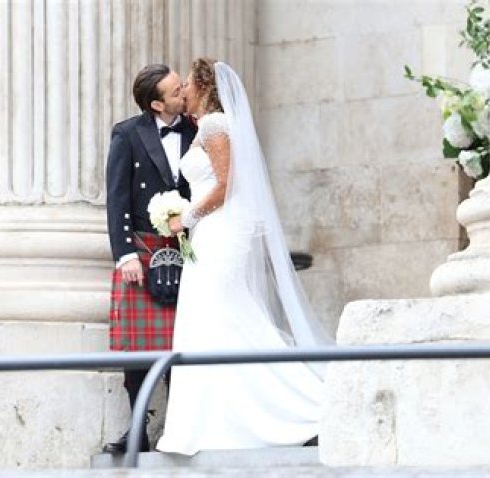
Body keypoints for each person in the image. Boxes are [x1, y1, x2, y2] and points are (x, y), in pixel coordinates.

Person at [156, 58, 332, 455]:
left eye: (188, 83)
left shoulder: (215, 125)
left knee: (225, 313)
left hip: (220, 228)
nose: (183, 91)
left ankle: (307, 404)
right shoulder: (206, 126)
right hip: (209, 230)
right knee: (211, 317)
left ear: (204, 87)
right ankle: (218, 421)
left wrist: (186, 217)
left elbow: (226, 184)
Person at [103, 64, 197, 454]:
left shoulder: (197, 129)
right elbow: (117, 198)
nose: (184, 94)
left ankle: (178, 428)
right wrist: (124, 253)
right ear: (156, 104)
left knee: (183, 342)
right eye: (175, 91)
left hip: (188, 249)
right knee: (138, 349)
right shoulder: (127, 134)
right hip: (143, 249)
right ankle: (138, 429)